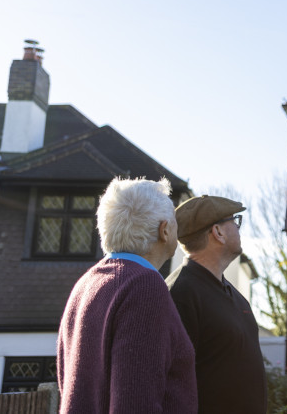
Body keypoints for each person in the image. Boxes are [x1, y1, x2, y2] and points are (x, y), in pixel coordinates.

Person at [57, 177, 197, 414]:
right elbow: (135, 403)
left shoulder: (84, 285)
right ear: (164, 230)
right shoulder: (144, 286)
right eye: (175, 223)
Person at [166, 195, 267, 414]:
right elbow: (167, 381)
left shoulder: (233, 294)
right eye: (235, 221)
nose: (239, 229)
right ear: (218, 232)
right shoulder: (179, 294)